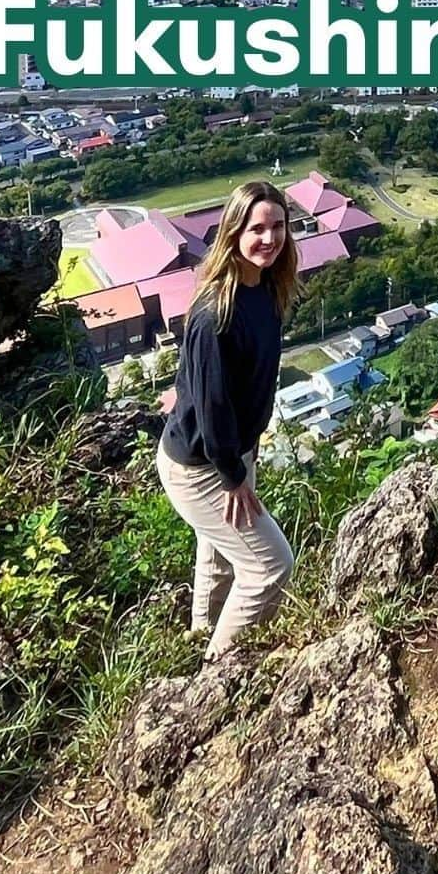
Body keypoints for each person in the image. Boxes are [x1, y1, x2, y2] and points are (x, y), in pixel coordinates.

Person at [156, 178, 299, 662]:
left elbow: (213, 373)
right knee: (270, 565)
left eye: (278, 226)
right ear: (234, 232)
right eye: (257, 228)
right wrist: (234, 477)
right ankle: (220, 673)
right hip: (205, 465)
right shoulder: (217, 309)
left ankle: (198, 643)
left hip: (231, 451)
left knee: (218, 556)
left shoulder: (265, 289)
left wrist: (183, 388)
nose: (270, 238)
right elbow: (215, 408)